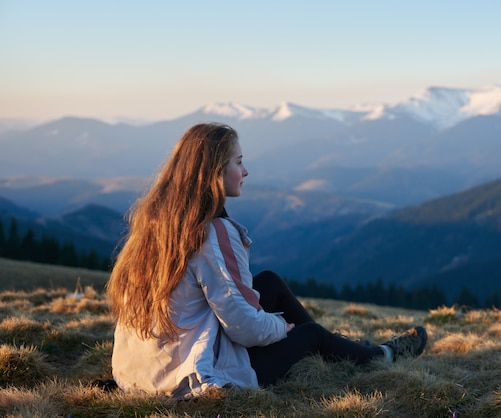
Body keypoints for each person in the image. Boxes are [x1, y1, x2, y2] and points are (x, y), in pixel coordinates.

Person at [106, 122, 427, 398]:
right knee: (310, 334)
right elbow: (243, 327)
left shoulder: (155, 222)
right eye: (239, 162)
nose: (245, 171)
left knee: (269, 282)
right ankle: (379, 356)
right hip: (190, 379)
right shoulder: (209, 232)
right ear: (214, 172)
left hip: (139, 372)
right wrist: (279, 326)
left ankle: (346, 348)